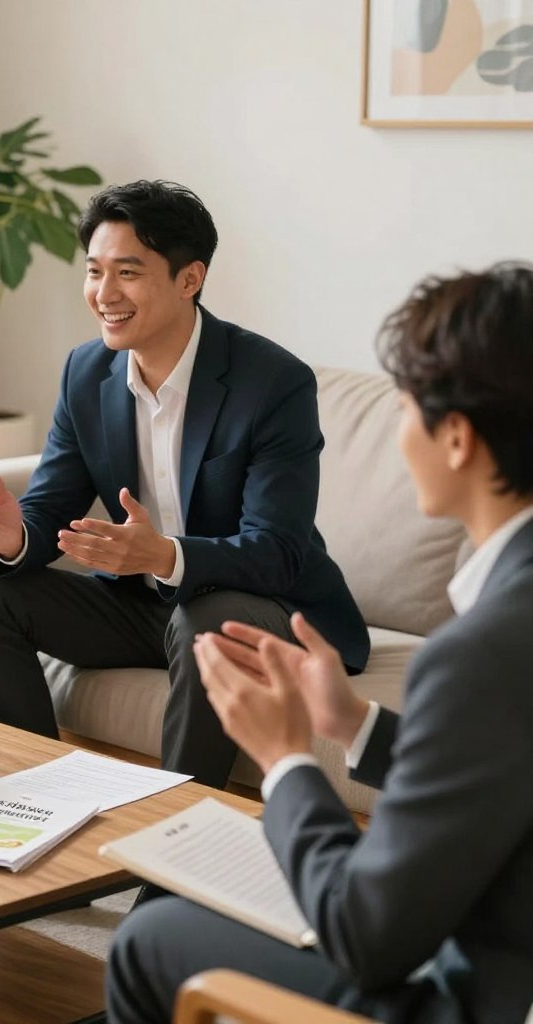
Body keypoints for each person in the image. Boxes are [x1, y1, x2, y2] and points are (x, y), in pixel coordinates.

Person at [107, 263, 533, 1024]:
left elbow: (365, 940)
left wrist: (287, 759)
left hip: (485, 996)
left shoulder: (479, 654)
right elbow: (500, 759)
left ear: (459, 438)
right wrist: (357, 724)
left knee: (149, 936)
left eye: (404, 409)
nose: (399, 435)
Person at [0, 180, 369, 788]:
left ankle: (167, 860)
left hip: (260, 610)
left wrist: (166, 555)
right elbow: (50, 507)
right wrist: (17, 537)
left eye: (128, 273)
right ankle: (36, 802)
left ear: (189, 279)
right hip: (144, 610)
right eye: (94, 272)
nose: (104, 295)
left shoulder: (272, 383)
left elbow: (278, 553)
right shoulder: (86, 371)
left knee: (207, 620)